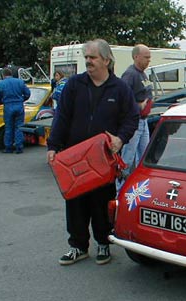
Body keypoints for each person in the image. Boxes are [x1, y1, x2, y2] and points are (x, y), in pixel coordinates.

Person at [46, 39, 139, 266]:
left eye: (93, 57)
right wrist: (53, 146)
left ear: (106, 60)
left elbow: (132, 118)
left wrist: (120, 138)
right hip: (74, 157)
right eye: (86, 57)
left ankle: (103, 243)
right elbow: (62, 118)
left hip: (103, 159)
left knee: (101, 202)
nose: (88, 61)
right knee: (75, 202)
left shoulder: (120, 89)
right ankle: (77, 246)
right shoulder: (74, 85)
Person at [116, 44, 153, 192]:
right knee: (127, 159)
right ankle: (119, 193)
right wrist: (138, 106)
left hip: (143, 122)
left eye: (149, 57)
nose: (149, 60)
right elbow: (121, 98)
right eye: (146, 57)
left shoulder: (143, 74)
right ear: (136, 57)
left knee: (144, 158)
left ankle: (138, 190)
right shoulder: (130, 74)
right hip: (134, 123)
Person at [0, 67, 31, 153]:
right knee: (19, 126)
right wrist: (21, 99)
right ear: (11, 74)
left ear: (3, 75)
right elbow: (27, 94)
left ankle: (8, 148)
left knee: (8, 127)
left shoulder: (0, 84)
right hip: (19, 106)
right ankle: (19, 147)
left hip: (8, 106)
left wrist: (1, 102)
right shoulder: (20, 82)